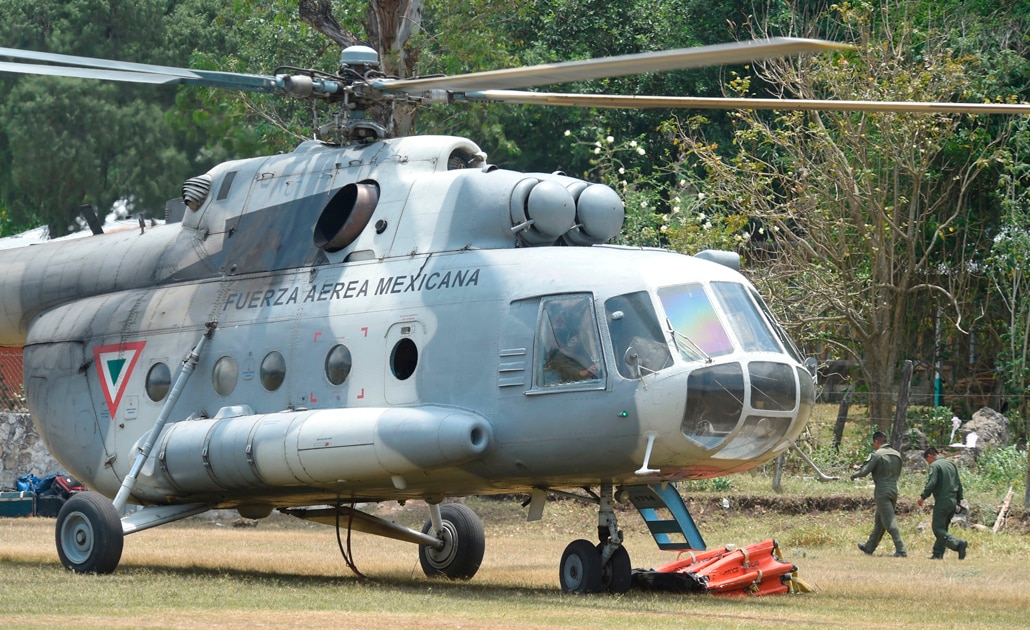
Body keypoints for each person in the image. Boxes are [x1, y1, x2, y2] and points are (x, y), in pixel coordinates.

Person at [851, 431, 907, 557]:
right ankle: (869, 547)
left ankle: (901, 549)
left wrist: (854, 475)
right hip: (894, 489)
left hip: (882, 491)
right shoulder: (896, 454)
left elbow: (864, 471)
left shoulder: (877, 455)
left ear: (876, 442)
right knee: (879, 521)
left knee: (889, 521)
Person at [917, 447, 968, 560]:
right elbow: (958, 483)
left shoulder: (935, 466)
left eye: (927, 460)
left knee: (937, 528)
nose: (928, 463)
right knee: (943, 528)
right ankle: (938, 553)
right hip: (953, 500)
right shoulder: (951, 464)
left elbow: (932, 483)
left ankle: (958, 544)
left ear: (930, 455)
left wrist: (923, 497)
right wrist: (959, 499)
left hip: (942, 501)